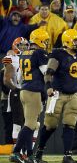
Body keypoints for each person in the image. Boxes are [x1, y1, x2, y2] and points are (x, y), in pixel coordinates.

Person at [35, 29, 77, 163]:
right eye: (76, 40)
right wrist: (48, 87)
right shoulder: (58, 54)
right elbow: (49, 72)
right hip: (57, 94)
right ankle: (38, 152)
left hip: (74, 95)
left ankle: (67, 155)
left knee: (70, 125)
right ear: (67, 42)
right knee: (50, 125)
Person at [9, 29, 50, 163]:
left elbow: (20, 77)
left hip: (24, 90)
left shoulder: (23, 53)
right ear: (39, 40)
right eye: (45, 40)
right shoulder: (39, 52)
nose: (46, 43)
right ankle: (16, 152)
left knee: (32, 124)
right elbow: (46, 72)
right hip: (33, 92)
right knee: (30, 125)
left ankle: (30, 155)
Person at [2, 38, 29, 154]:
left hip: (30, 92)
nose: (23, 47)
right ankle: (17, 151)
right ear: (14, 45)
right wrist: (16, 89)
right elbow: (6, 80)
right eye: (20, 45)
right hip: (17, 91)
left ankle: (27, 152)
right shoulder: (10, 58)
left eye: (25, 45)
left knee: (31, 123)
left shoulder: (30, 57)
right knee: (17, 122)